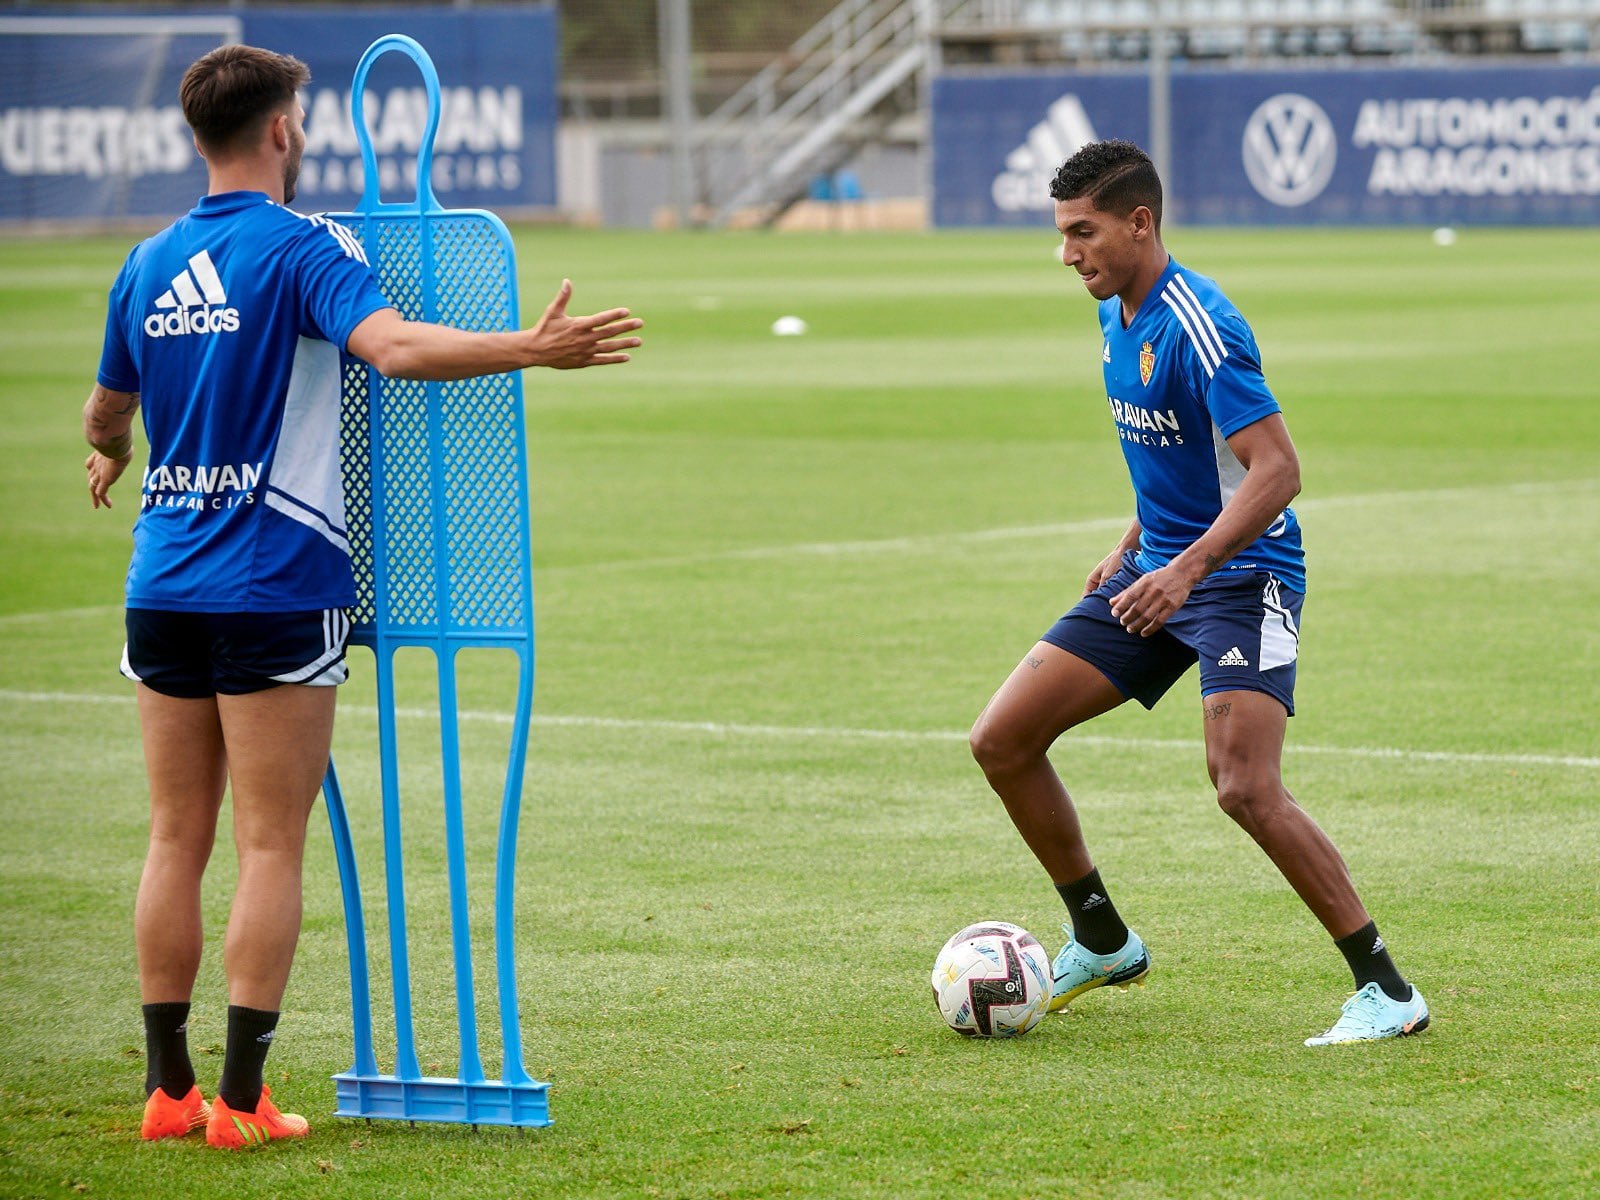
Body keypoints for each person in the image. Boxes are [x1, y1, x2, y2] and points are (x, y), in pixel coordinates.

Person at [82, 45, 643, 1148]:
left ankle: (168, 1091)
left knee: (173, 836)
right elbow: (393, 349)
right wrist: (528, 348)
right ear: (284, 132)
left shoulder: (145, 263)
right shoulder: (303, 248)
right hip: (276, 582)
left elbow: (107, 413)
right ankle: (240, 1105)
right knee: (270, 846)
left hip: (161, 579)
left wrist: (112, 455)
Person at [968, 140, 1427, 1046]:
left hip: (1242, 576)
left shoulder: (1200, 322)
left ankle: (1387, 990)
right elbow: (1176, 457)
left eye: (1082, 232)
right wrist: (1133, 544)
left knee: (1244, 786)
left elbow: (1277, 471)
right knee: (1003, 740)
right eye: (1062, 235)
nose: (1069, 254)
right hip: (1158, 572)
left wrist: (1185, 571)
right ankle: (1100, 937)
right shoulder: (1115, 314)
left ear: (1140, 222)